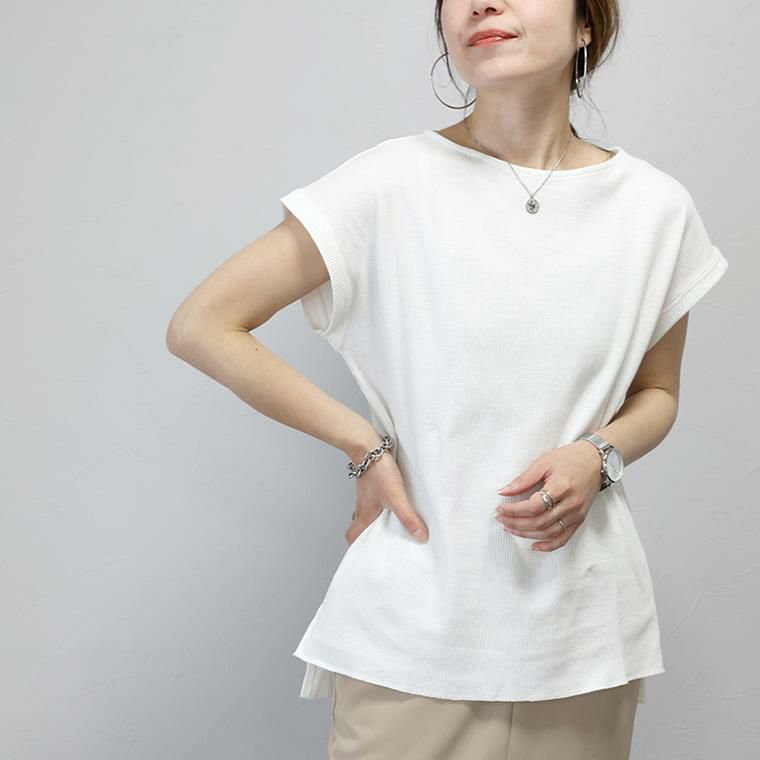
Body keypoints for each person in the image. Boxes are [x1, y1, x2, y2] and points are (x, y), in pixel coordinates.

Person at [166, 1, 729, 758]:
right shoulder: (389, 184)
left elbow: (657, 394)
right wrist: (362, 441)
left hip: (583, 638)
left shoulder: (656, 209)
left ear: (587, 23)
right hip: (411, 636)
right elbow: (201, 324)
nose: (482, 3)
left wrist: (599, 456)